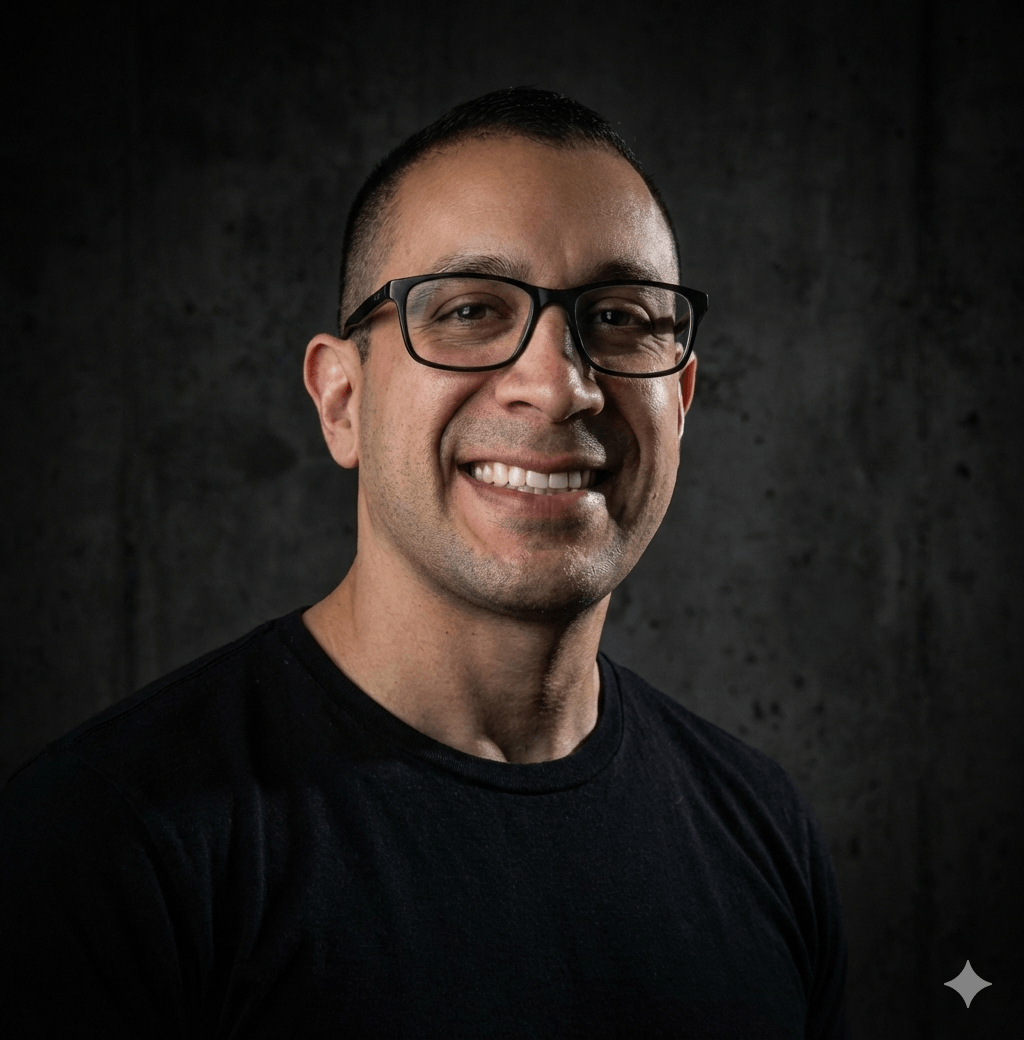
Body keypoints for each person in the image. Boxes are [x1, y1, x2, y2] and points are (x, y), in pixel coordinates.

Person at [0, 87, 847, 1039]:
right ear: (342, 402)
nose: (558, 386)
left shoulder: (762, 829)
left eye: (618, 317)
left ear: (681, 402)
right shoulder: (105, 844)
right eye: (471, 310)